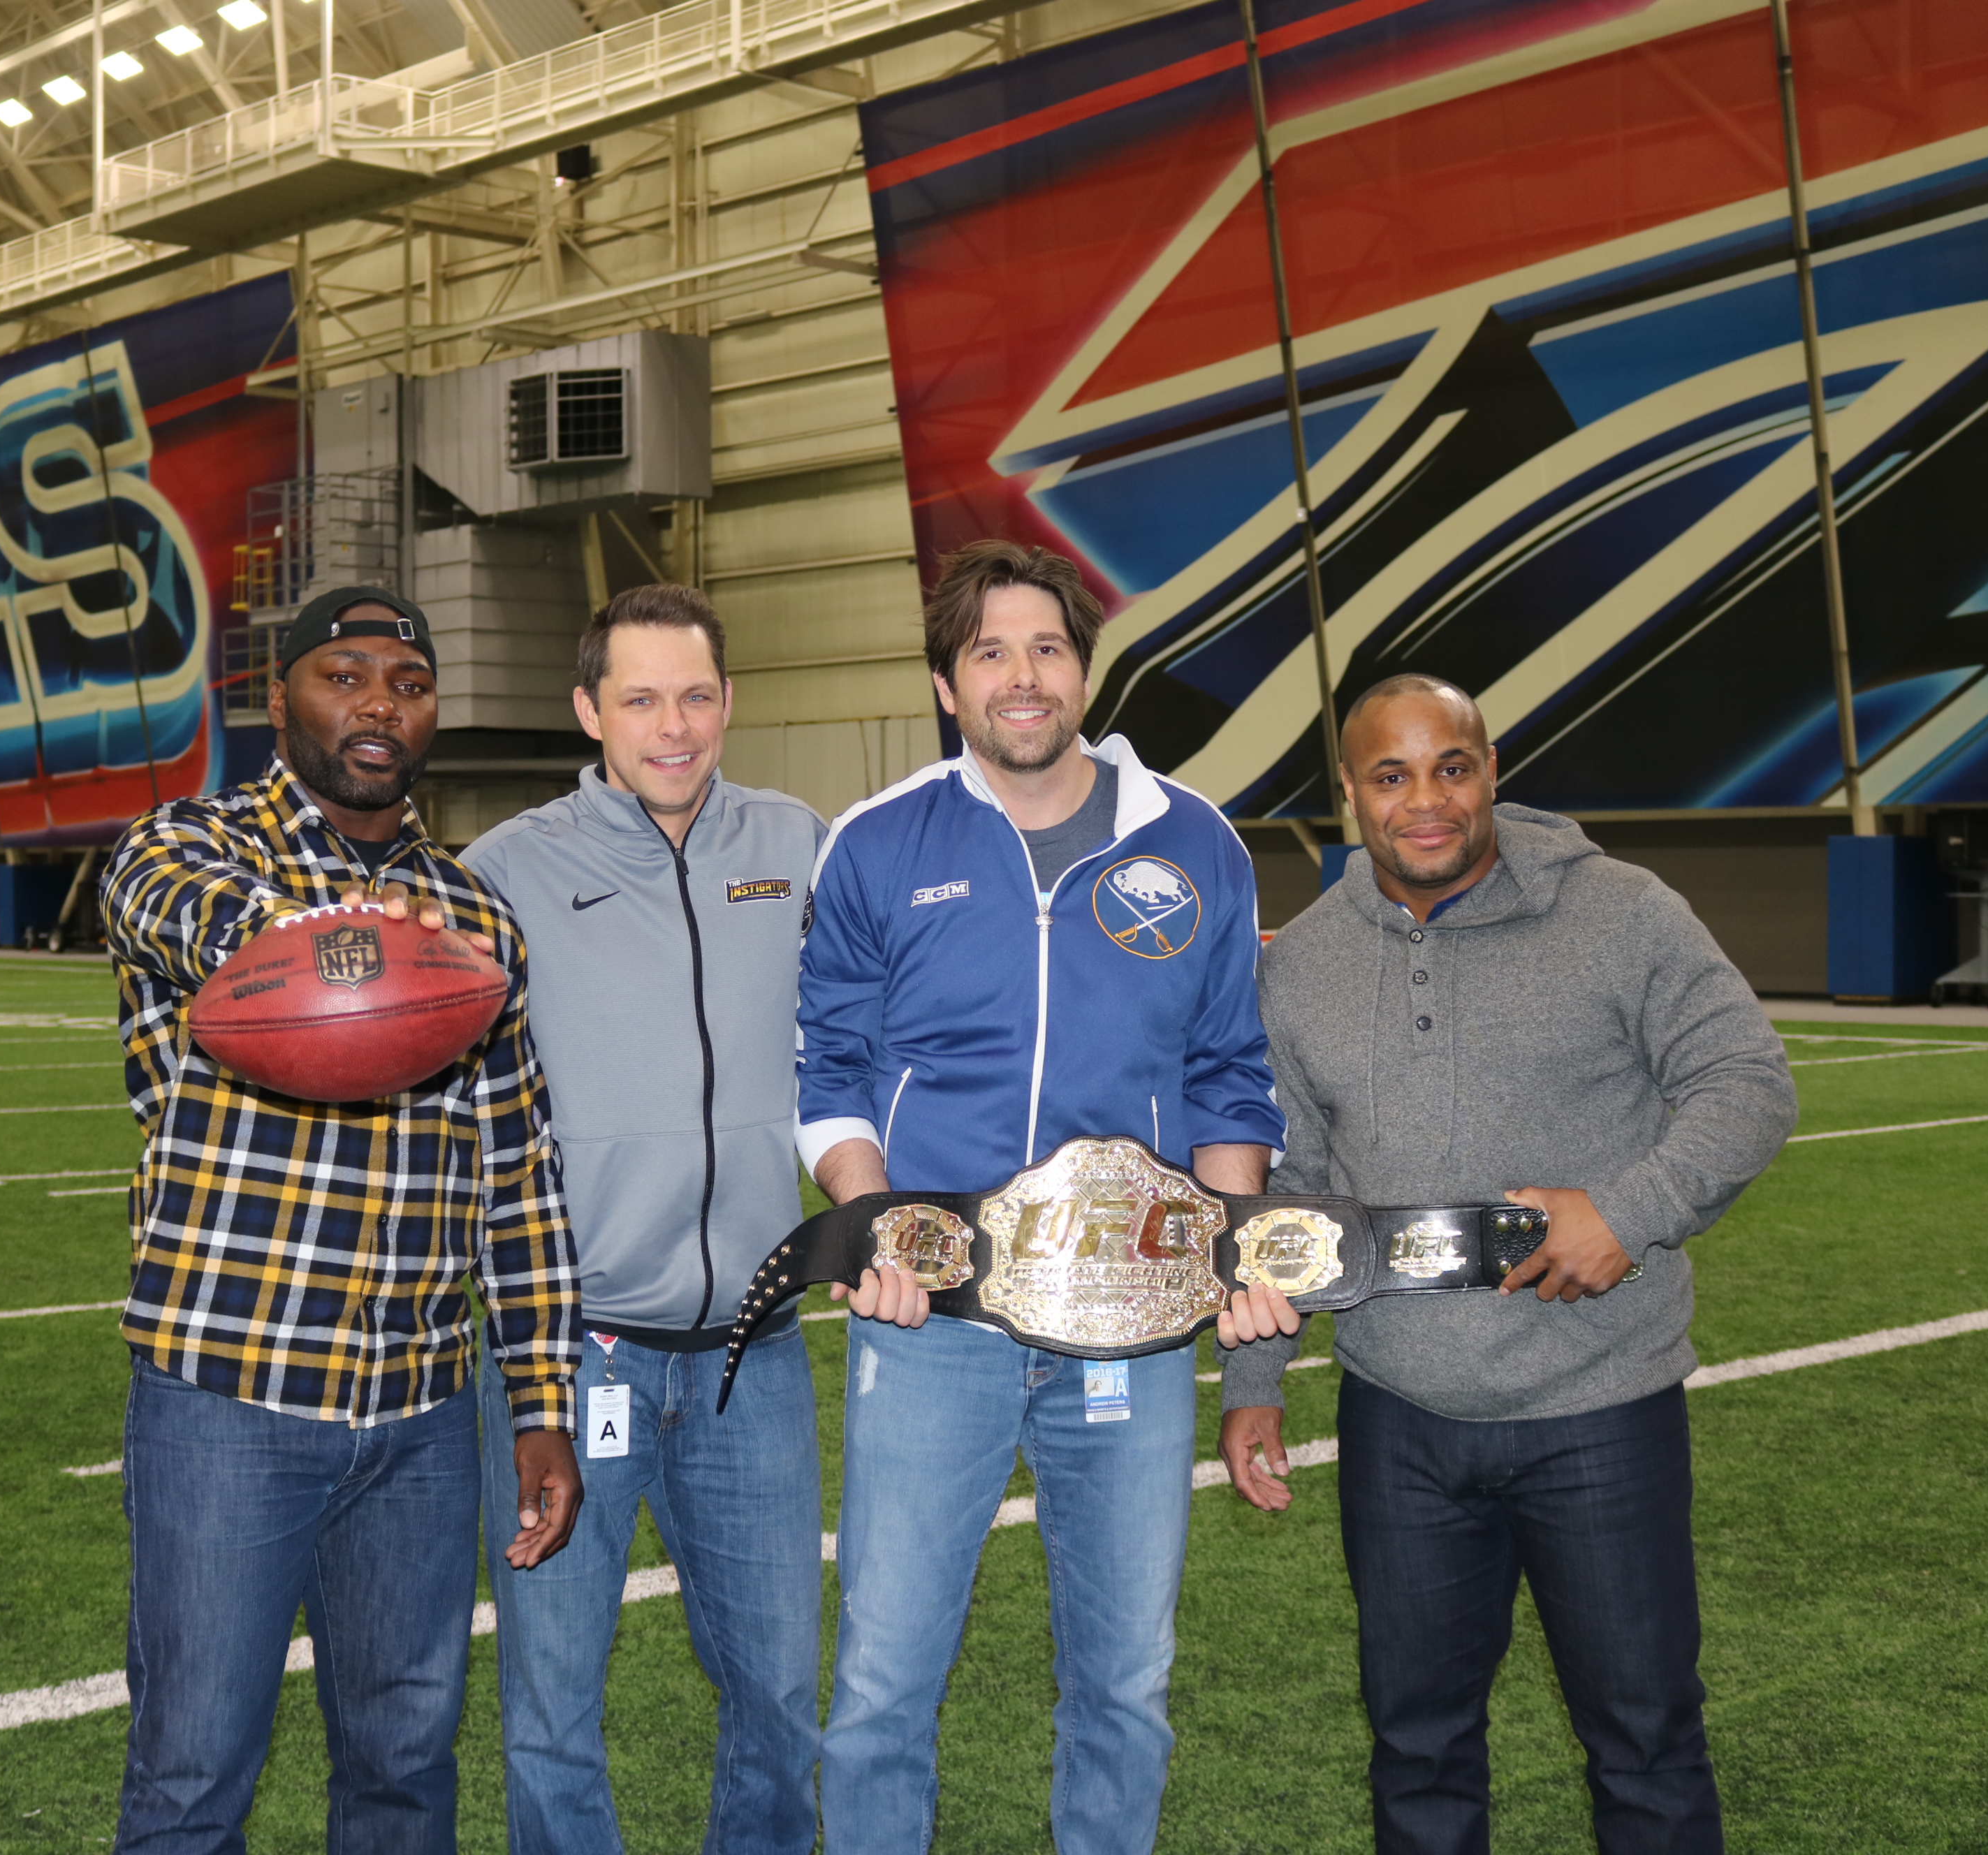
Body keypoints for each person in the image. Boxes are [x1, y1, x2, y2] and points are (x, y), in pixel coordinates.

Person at [1214, 673, 1796, 1855]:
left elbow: (1749, 1084)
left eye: (1452, 767)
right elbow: (1295, 1202)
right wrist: (1254, 1386)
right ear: (1349, 794)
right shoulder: (1304, 964)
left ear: (1491, 771)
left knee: (1644, 1739)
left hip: (1601, 1410)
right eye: (1391, 775)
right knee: (1417, 1747)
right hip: (1401, 1423)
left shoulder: (1623, 911)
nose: (1425, 801)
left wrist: (1628, 1213)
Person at [797, 538, 1286, 1855]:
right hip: (934, 1326)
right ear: (950, 686)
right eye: (991, 652)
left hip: (1128, 1319)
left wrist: (1232, 1250)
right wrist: (876, 1224)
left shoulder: (1192, 842)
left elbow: (1229, 1073)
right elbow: (830, 1072)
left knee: (1126, 1683)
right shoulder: (879, 841)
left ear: (1084, 670)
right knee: (883, 1686)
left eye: (1048, 648)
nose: (1024, 677)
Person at [101, 585, 584, 1855]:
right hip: (231, 1397)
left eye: (409, 685)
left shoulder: (475, 919)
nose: (380, 704)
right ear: (280, 700)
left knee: (407, 1766)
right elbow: (205, 926)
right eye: (346, 675)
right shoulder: (182, 849)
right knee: (193, 1772)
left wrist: (540, 1402)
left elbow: (520, 1173)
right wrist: (359, 947)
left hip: (421, 1412)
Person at [462, 585, 829, 1854]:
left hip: (754, 1357)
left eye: (695, 696)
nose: (672, 727)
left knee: (782, 1697)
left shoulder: (795, 840)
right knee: (552, 1708)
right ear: (589, 710)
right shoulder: (507, 868)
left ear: (728, 700)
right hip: (573, 1357)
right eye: (639, 699)